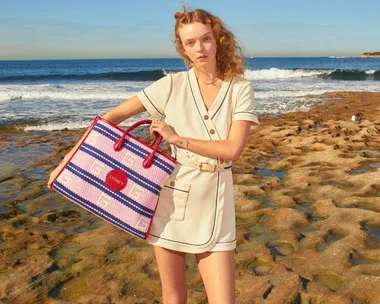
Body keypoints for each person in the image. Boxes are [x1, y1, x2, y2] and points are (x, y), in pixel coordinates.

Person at [48, 5, 259, 304]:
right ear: (182, 49)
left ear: (219, 39)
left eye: (206, 39)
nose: (199, 48)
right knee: (173, 297)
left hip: (217, 199)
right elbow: (107, 120)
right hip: (172, 200)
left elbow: (232, 149)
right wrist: (67, 163)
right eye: (190, 43)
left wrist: (177, 138)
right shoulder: (171, 85)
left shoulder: (240, 88)